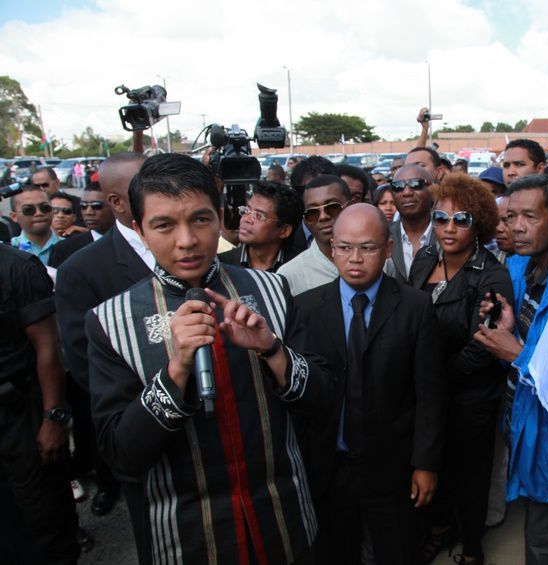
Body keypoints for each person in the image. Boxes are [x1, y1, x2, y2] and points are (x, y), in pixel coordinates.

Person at [85, 152, 332, 564]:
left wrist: (273, 350)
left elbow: (323, 401)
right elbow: (121, 456)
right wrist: (176, 370)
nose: (186, 240)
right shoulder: (112, 321)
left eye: (200, 219)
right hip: (186, 538)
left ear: (220, 217)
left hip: (283, 520)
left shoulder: (272, 290)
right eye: (164, 224)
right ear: (139, 230)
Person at [295, 204, 447, 565]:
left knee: (397, 550)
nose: (355, 258)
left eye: (367, 247)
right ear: (332, 249)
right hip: (330, 468)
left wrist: (426, 464)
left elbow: (431, 394)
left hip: (393, 467)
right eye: (345, 247)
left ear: (388, 249)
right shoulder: (305, 307)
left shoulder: (415, 307)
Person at [474, 174, 548, 565]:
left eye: (530, 217)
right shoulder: (522, 267)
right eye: (510, 218)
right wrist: (507, 330)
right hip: (526, 423)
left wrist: (517, 354)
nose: (516, 228)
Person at [408, 174, 513, 565]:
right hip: (427, 394)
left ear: (479, 223)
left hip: (471, 397)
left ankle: (471, 547)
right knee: (430, 464)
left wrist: (432, 379)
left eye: (461, 219)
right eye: (440, 218)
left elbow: (484, 346)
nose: (449, 228)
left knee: (469, 475)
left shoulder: (492, 274)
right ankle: (438, 529)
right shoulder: (423, 260)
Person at [54, 152, 153, 563]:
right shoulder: (82, 270)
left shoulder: (199, 248)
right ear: (116, 202)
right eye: (147, 184)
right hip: (142, 435)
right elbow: (84, 364)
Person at [0, 244, 80, 564]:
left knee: (44, 514)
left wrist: (54, 418)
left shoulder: (16, 267)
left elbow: (48, 347)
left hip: (20, 413)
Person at [277, 175, 351, 296]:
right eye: (312, 212)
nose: (323, 217)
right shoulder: (289, 275)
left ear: (350, 206)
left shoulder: (380, 260)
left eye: (332, 207)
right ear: (305, 219)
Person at [218, 181, 305, 271]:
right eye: (247, 210)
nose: (246, 219)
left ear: (284, 230)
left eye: (258, 215)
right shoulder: (221, 265)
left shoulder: (300, 267)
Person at [386, 165, 436, 282]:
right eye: (398, 187)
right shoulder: (382, 235)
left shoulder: (448, 233)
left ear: (432, 189)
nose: (407, 192)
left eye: (415, 184)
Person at [49, 185, 115, 270]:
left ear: (114, 205)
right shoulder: (64, 248)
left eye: (96, 206)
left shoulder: (131, 239)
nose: (89, 212)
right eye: (83, 206)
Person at [10, 186, 63, 266]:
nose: (39, 213)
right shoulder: (8, 250)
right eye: (28, 209)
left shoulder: (71, 246)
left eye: (45, 207)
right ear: (14, 216)